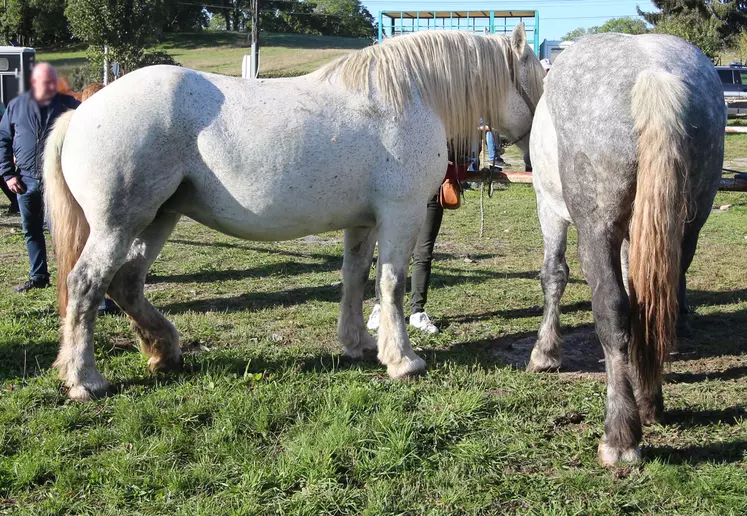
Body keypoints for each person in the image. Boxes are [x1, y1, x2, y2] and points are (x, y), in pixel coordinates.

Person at [0, 63, 79, 292]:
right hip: (24, 182)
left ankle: (71, 278)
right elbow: (3, 139)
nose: (52, 86)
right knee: (31, 230)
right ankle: (38, 276)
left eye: (54, 82)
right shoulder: (16, 106)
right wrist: (8, 174)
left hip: (56, 182)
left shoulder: (67, 104)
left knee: (62, 233)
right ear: (34, 83)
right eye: (47, 83)